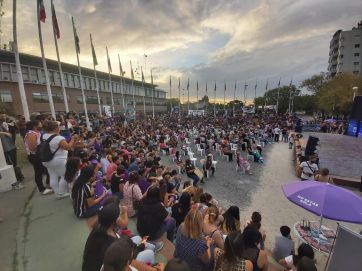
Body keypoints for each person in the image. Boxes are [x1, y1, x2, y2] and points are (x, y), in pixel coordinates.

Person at [83, 202, 158, 271]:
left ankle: (151, 247)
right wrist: (141, 246)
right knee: (150, 253)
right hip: (117, 264)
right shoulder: (111, 243)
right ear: (115, 220)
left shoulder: (97, 229)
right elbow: (128, 258)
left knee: (138, 238)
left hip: (104, 264)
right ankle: (153, 258)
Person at [41, 120, 78, 199]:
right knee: (65, 176)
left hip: (46, 160)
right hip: (58, 160)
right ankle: (62, 192)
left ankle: (57, 194)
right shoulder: (58, 138)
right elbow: (68, 147)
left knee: (53, 176)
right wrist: (73, 139)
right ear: (55, 128)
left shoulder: (43, 136)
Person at [24, 120, 52, 194]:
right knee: (39, 172)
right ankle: (41, 189)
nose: (41, 125)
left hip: (39, 155)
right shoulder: (31, 134)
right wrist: (44, 146)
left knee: (46, 169)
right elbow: (32, 147)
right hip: (34, 156)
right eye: (40, 124)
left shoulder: (38, 133)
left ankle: (48, 184)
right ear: (35, 126)